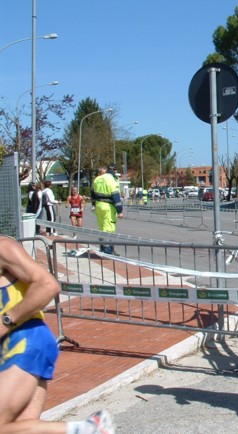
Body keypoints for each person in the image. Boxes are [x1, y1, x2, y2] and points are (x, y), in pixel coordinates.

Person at [0, 235, 115, 433]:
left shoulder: (3, 247)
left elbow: (48, 285)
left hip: (25, 341)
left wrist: (6, 320)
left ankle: (90, 429)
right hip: (13, 348)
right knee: (18, 429)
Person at [91, 164, 124, 255]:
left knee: (102, 229)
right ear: (114, 170)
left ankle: (103, 249)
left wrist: (94, 205)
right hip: (108, 207)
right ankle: (108, 251)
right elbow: (115, 195)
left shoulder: (97, 179)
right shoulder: (111, 179)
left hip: (98, 206)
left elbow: (92, 194)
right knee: (109, 229)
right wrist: (119, 210)